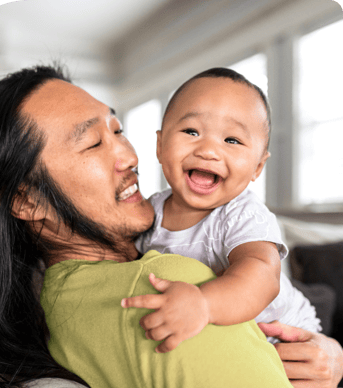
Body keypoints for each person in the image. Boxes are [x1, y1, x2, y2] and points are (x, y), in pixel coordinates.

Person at [0, 65, 341, 388]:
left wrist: (330, 354)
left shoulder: (51, 300)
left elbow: (262, 276)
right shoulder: (168, 289)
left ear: (258, 166)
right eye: (94, 142)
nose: (129, 156)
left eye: (117, 130)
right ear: (26, 201)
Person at [122, 68, 319, 350]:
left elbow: (261, 276)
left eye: (232, 140)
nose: (208, 150)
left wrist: (204, 304)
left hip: (284, 336)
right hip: (217, 340)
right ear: (160, 145)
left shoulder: (243, 214)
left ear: (257, 167)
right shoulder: (150, 212)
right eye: (191, 131)